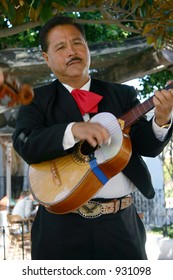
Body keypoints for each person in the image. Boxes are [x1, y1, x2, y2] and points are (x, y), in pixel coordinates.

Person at [2, 16, 173, 260]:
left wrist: (162, 119)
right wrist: (72, 130)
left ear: (87, 48)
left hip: (121, 225)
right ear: (46, 58)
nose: (71, 51)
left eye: (77, 43)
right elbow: (25, 142)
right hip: (60, 227)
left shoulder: (123, 94)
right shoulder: (36, 99)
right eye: (61, 47)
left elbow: (147, 146)